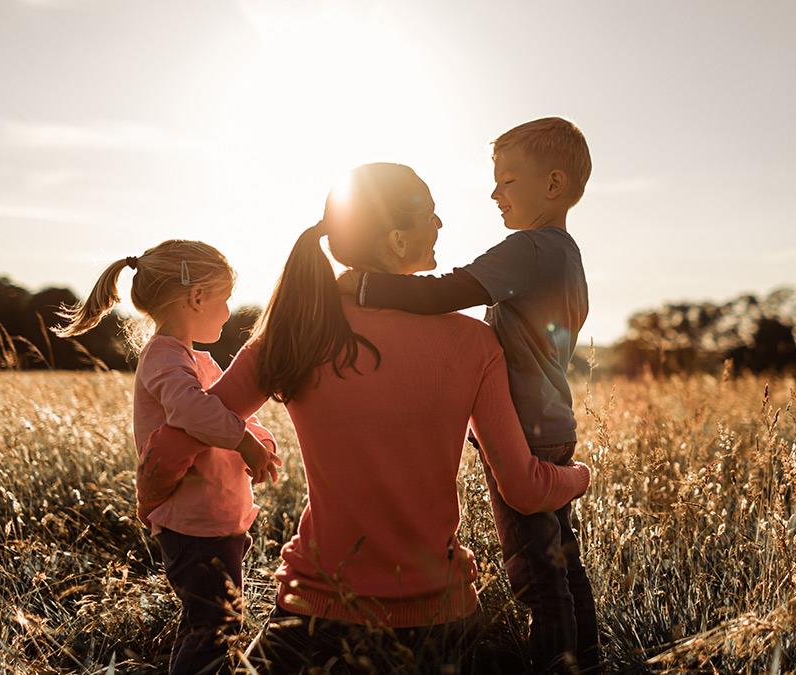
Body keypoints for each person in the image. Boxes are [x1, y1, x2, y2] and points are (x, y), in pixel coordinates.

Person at [149, 162, 591, 672]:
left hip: (312, 613)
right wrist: (579, 476)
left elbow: (180, 438)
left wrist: (152, 493)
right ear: (398, 242)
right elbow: (525, 489)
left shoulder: (293, 334)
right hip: (439, 621)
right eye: (430, 214)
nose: (441, 224)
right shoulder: (474, 342)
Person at [338, 118, 597, 672]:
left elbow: (450, 290)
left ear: (552, 186)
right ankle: (589, 658)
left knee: (536, 574)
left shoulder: (530, 249)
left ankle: (556, 664)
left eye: (507, 180)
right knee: (562, 560)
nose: (494, 192)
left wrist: (366, 286)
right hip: (551, 426)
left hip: (522, 434)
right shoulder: (565, 255)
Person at [53, 240, 281, 675]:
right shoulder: (164, 357)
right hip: (193, 523)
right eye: (225, 298)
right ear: (197, 297)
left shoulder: (192, 357)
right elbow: (192, 411)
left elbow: (220, 413)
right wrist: (244, 442)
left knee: (211, 623)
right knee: (214, 626)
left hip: (213, 518)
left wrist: (255, 438)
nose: (230, 311)